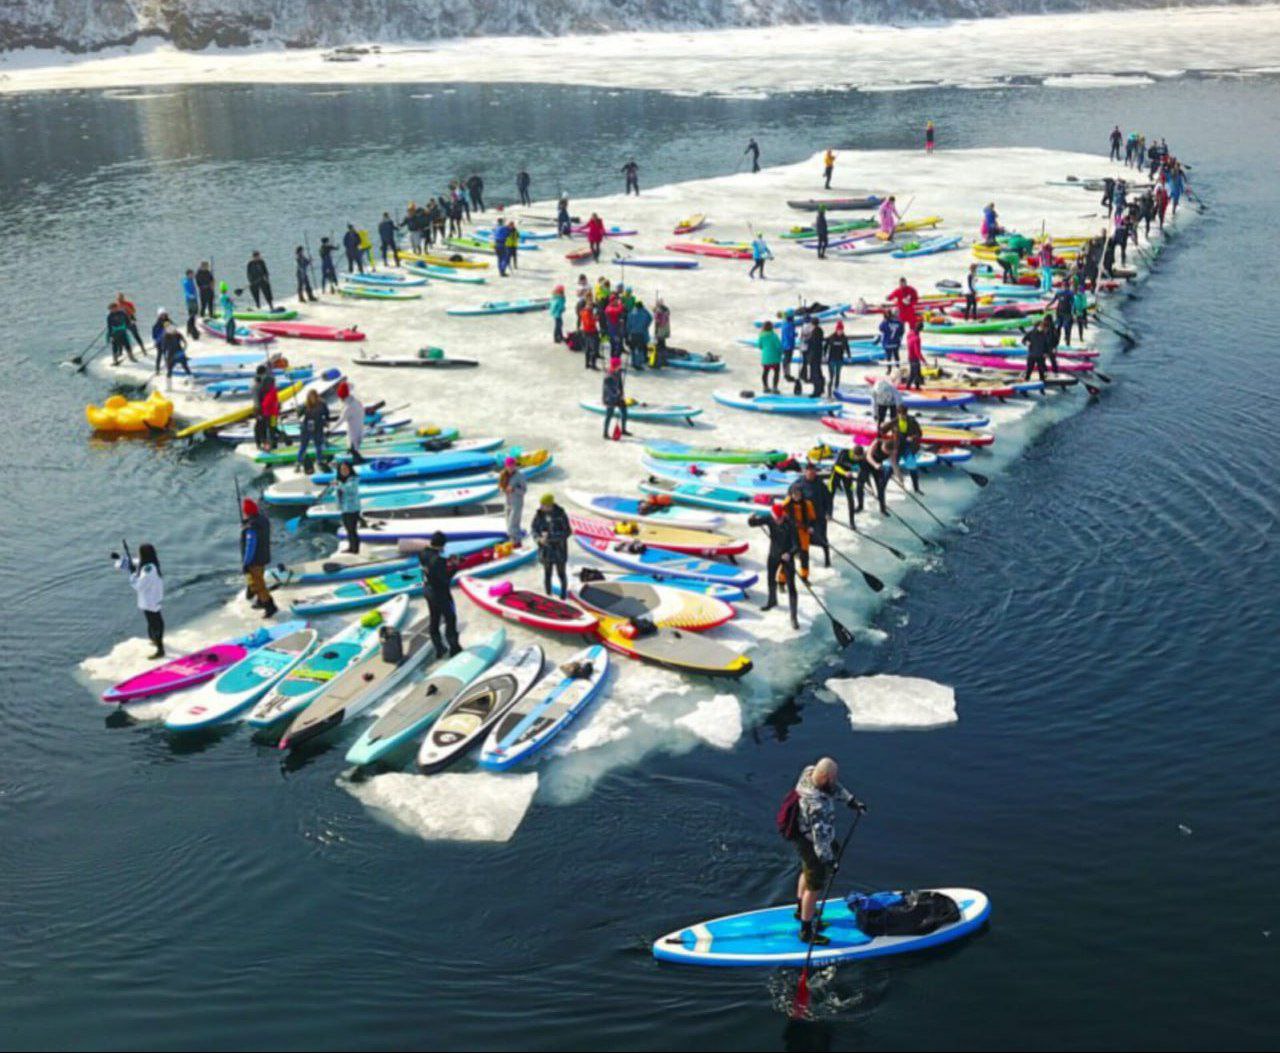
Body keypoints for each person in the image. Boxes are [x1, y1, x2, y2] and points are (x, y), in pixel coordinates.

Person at [789, 758, 865, 944]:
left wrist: (850, 800)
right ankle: (806, 931)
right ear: (823, 777)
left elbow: (833, 787)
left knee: (805, 871)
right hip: (811, 841)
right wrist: (831, 861)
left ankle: (801, 910)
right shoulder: (817, 807)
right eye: (832, 777)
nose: (835, 780)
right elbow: (821, 843)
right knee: (814, 887)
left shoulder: (809, 772)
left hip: (801, 835)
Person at [748, 502, 799, 628]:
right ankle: (772, 601)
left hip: (787, 557)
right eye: (777, 519)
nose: (778, 521)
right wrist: (751, 518)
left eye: (780, 519)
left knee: (791, 585)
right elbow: (753, 524)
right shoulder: (769, 518)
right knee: (771, 578)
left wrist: (789, 553)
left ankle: (794, 616)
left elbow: (797, 546)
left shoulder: (790, 524)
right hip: (774, 554)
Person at [112, 543, 165, 658]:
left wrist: (132, 574)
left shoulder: (148, 569)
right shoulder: (149, 564)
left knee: (155, 622)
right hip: (151, 599)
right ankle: (155, 640)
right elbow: (134, 562)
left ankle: (160, 649)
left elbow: (139, 585)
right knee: (153, 622)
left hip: (150, 600)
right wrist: (120, 558)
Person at [418, 531, 461, 657]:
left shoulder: (422, 553)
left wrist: (448, 561)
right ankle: (454, 649)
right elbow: (445, 579)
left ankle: (439, 649)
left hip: (427, 590)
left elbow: (432, 568)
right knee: (450, 619)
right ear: (442, 545)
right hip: (440, 593)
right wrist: (455, 566)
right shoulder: (438, 560)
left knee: (434, 618)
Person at [240, 498, 278, 617]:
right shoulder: (262, 520)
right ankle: (261, 601)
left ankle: (269, 606)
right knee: (258, 579)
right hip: (263, 557)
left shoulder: (252, 527)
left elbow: (250, 546)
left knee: (259, 585)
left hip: (254, 561)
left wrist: (246, 563)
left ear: (247, 512)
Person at [531, 493, 570, 597]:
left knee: (561, 574)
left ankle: (563, 596)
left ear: (550, 505)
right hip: (546, 551)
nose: (542, 507)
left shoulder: (561, 514)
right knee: (547, 574)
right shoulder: (539, 515)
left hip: (559, 551)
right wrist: (539, 539)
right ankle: (548, 595)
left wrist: (551, 537)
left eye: (544, 505)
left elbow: (567, 532)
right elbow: (534, 529)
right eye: (541, 504)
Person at [798, 463, 831, 567]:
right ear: (805, 472)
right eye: (809, 472)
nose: (812, 474)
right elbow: (791, 498)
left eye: (814, 472)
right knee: (802, 539)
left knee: (823, 539)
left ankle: (827, 560)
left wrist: (829, 513)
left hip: (820, 517)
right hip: (805, 519)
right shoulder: (799, 484)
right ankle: (802, 557)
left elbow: (829, 500)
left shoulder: (821, 485)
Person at [828, 444, 864, 528]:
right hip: (837, 473)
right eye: (856, 458)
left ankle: (852, 522)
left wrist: (860, 477)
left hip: (848, 475)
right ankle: (829, 514)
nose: (857, 460)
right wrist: (845, 473)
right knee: (831, 494)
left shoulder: (861, 457)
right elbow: (836, 466)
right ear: (854, 454)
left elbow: (862, 469)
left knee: (850, 498)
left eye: (859, 458)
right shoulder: (844, 453)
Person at [296, 388, 331, 470]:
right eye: (310, 397)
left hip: (318, 427)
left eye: (313, 396)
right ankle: (299, 462)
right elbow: (299, 414)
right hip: (307, 428)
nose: (312, 399)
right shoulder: (305, 405)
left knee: (318, 446)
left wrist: (327, 421)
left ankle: (319, 461)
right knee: (303, 446)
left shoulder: (322, 404)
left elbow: (327, 414)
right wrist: (298, 410)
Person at [892, 405, 924, 494]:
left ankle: (916, 489)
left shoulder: (912, 421)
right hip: (897, 447)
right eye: (901, 414)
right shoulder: (894, 421)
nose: (902, 416)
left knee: (912, 467)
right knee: (891, 467)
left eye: (904, 414)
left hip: (908, 447)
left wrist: (912, 437)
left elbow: (919, 433)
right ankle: (885, 487)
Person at [334, 461, 362, 554]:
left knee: (352, 529)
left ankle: (355, 549)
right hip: (344, 509)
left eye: (346, 469)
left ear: (350, 469)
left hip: (352, 508)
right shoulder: (340, 480)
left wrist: (338, 485)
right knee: (348, 529)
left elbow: (349, 490)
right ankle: (351, 547)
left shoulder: (354, 479)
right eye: (342, 469)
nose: (344, 471)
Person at [860, 433, 891, 515]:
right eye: (884, 450)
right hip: (866, 462)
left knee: (880, 487)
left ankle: (882, 508)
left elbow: (893, 462)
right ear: (883, 445)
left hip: (878, 466)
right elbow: (868, 456)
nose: (885, 453)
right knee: (860, 485)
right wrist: (875, 464)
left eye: (887, 453)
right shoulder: (877, 442)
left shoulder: (893, 449)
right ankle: (860, 506)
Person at [498, 456, 527, 543]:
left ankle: (517, 542)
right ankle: (513, 541)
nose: (511, 468)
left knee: (512, 525)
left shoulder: (520, 476)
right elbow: (500, 488)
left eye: (512, 465)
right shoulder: (503, 475)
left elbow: (524, 491)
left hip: (517, 503)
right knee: (509, 524)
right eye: (509, 466)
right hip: (508, 503)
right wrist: (503, 489)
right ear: (506, 466)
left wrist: (514, 489)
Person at [336, 381, 365, 463]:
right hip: (360, 429)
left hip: (353, 434)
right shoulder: (356, 402)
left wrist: (330, 430)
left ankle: (358, 466)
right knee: (354, 449)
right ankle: (358, 459)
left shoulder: (348, 408)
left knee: (353, 450)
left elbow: (340, 421)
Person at [601, 361, 629, 439]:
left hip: (618, 397)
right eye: (619, 365)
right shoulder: (608, 377)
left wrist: (622, 393)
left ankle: (623, 430)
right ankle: (605, 434)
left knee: (624, 412)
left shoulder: (618, 373)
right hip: (610, 398)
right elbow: (608, 390)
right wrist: (617, 394)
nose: (620, 367)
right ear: (614, 366)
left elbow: (620, 385)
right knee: (609, 416)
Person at [626, 297, 652, 371]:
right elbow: (650, 318)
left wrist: (628, 333)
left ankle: (633, 362)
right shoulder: (644, 313)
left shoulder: (631, 313)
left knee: (633, 348)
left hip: (632, 334)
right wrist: (646, 326)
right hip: (640, 333)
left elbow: (628, 324)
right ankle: (638, 364)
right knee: (640, 349)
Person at [824, 320, 848, 396]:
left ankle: (836, 390)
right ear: (836, 329)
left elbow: (847, 347)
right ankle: (829, 393)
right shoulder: (831, 337)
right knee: (831, 377)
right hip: (831, 359)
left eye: (841, 330)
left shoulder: (844, 338)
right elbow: (825, 346)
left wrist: (849, 355)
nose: (840, 332)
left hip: (840, 359)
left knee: (838, 375)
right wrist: (824, 355)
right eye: (839, 330)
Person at [758, 320, 782, 394]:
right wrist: (781, 354)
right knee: (776, 373)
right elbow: (779, 346)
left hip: (765, 358)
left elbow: (760, 346)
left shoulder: (761, 336)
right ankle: (775, 388)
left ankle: (765, 387)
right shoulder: (774, 336)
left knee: (765, 372)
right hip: (775, 357)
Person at [805, 318, 825, 398]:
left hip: (814, 355)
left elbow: (813, 343)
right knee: (818, 372)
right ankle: (821, 388)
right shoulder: (819, 330)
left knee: (815, 373)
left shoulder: (816, 331)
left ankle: (817, 391)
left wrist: (807, 340)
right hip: (818, 354)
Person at [579, 298, 601, 369]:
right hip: (590, 331)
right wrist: (595, 318)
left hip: (587, 331)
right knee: (593, 348)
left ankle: (587, 363)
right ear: (587, 305)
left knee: (588, 348)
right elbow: (589, 323)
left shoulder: (585, 311)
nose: (591, 307)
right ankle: (592, 364)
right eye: (590, 305)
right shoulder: (586, 313)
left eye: (591, 306)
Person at [904, 319, 925, 391]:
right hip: (914, 358)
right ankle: (909, 387)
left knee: (917, 372)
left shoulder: (910, 333)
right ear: (921, 329)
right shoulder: (917, 338)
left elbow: (910, 345)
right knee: (914, 373)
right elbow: (917, 351)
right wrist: (923, 360)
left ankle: (916, 387)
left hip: (910, 356)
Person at [181, 269, 201, 340]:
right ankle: (191, 329)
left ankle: (190, 329)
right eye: (191, 274)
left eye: (193, 274)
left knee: (195, 314)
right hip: (190, 300)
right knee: (191, 315)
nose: (193, 275)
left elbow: (194, 289)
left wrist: (195, 295)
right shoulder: (186, 282)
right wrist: (191, 295)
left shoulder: (192, 280)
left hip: (194, 299)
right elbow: (186, 291)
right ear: (188, 274)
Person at [780, 310, 798, 381]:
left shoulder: (784, 324)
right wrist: (795, 334)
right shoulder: (790, 325)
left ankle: (786, 374)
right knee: (788, 360)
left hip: (784, 344)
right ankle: (787, 375)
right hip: (789, 345)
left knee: (786, 360)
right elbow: (791, 335)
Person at [652, 298, 670, 368]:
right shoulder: (666, 309)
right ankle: (664, 360)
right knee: (663, 344)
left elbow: (657, 319)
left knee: (659, 346)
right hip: (665, 330)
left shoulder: (659, 311)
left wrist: (655, 310)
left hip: (660, 331)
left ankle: (659, 362)